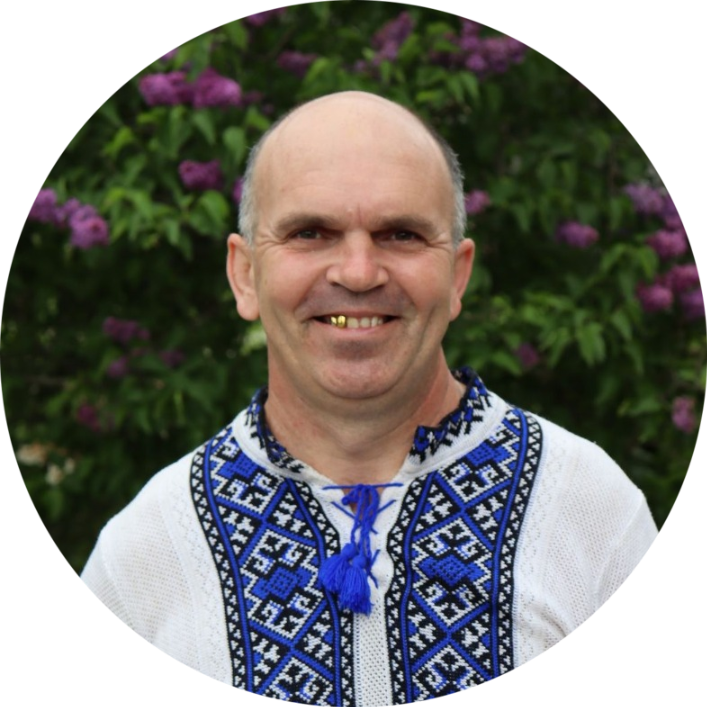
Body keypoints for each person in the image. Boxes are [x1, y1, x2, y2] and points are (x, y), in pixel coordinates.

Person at [80, 91, 658, 702]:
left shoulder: (589, 510)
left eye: (401, 234)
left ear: (457, 275)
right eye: (310, 233)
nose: (357, 273)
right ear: (245, 274)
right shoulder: (148, 551)